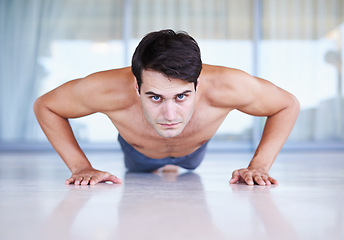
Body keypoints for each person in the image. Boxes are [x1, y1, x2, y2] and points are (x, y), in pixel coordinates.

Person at [34, 29, 300, 186]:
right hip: (137, 154)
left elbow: (287, 105)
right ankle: (158, 165)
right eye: (156, 98)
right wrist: (80, 167)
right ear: (137, 87)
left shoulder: (228, 85)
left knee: (188, 166)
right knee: (140, 169)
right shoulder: (107, 88)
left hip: (193, 154)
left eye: (182, 97)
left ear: (197, 84)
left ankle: (174, 165)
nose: (170, 116)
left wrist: (260, 166)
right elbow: (46, 106)